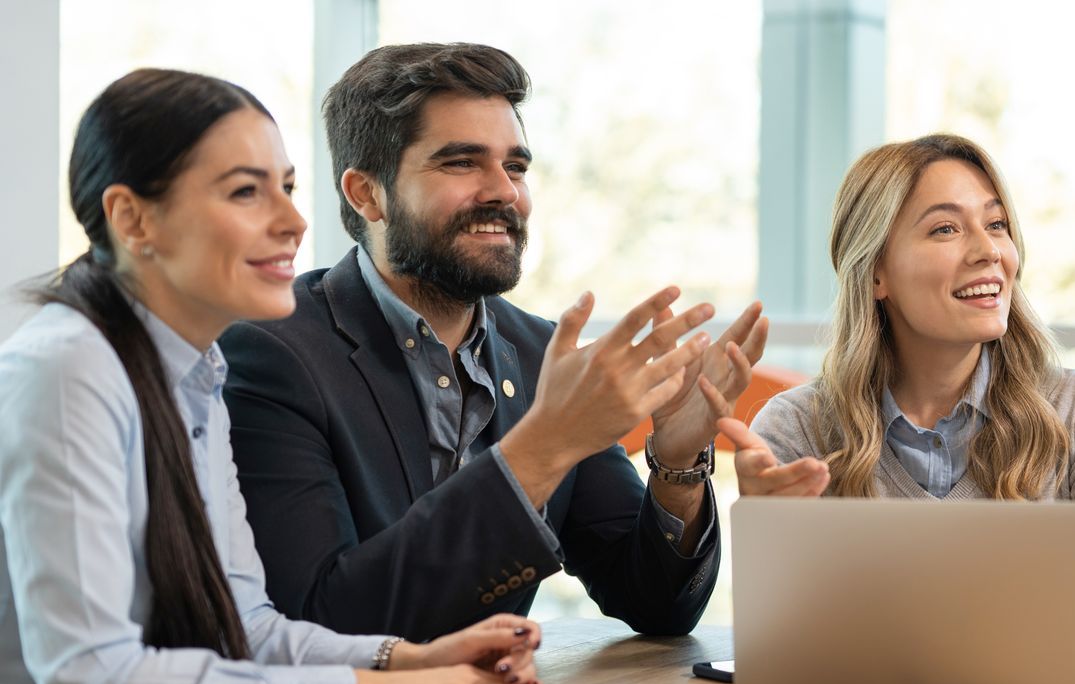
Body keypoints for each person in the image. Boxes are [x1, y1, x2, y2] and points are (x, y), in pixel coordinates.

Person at [0, 69, 546, 684]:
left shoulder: (197, 368)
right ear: (133, 219)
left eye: (286, 187)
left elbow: (247, 626)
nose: (293, 220)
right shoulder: (66, 368)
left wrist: (406, 662)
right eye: (245, 192)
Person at [219, 43, 764, 640]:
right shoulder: (271, 354)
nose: (504, 191)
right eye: (461, 163)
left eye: (517, 166)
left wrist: (678, 466)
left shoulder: (540, 355)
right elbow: (317, 619)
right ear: (366, 193)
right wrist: (545, 444)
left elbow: (657, 606)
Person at [721, 133, 1075, 626]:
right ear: (876, 273)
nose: (988, 252)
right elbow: (788, 638)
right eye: (945, 230)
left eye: (996, 224)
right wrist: (776, 541)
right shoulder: (799, 426)